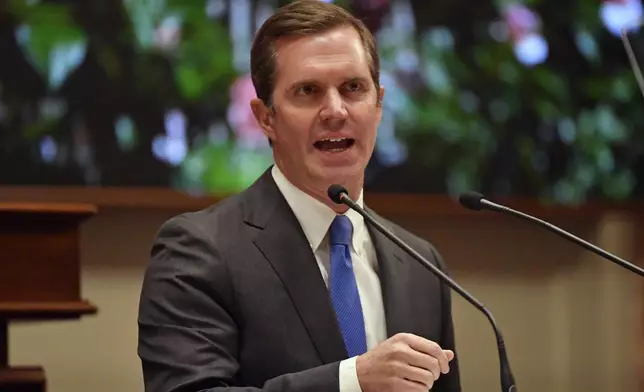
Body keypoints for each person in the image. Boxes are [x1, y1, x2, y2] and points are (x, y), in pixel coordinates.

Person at [137, 1, 462, 391]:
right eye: (308, 91)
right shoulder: (198, 251)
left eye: (353, 88)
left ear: (378, 104)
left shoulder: (421, 264)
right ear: (265, 118)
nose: (335, 110)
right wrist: (351, 382)